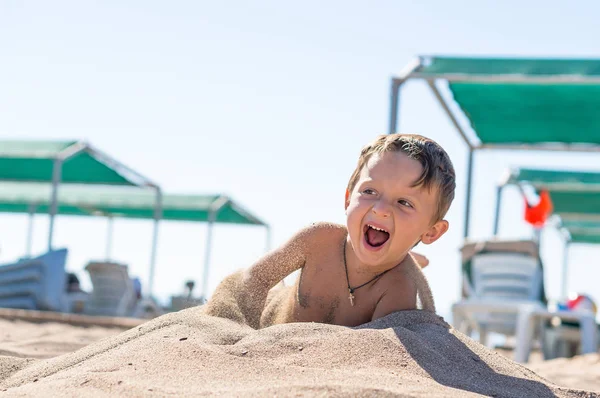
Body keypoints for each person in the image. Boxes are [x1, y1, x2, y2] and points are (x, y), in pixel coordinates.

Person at [203, 133, 456, 329]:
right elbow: (253, 279)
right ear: (348, 199)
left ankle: (412, 260)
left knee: (406, 270)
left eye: (404, 203)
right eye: (369, 192)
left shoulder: (398, 289)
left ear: (432, 232)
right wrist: (236, 331)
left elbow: (380, 355)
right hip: (275, 318)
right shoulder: (317, 241)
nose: (381, 209)